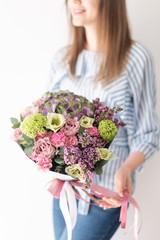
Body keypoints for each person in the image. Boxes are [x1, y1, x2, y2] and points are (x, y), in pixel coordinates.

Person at [46, 0, 160, 239]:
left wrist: (127, 168)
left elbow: (148, 133)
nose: (74, 2)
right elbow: (45, 122)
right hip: (66, 190)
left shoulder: (136, 59)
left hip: (105, 194)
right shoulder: (62, 60)